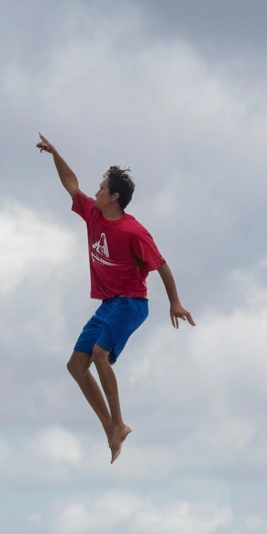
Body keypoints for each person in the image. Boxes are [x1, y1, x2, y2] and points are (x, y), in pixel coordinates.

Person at [36, 132, 195, 463]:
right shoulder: (93, 213)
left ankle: (118, 423)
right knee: (76, 365)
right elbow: (71, 184)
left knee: (99, 355)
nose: (96, 191)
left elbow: (162, 266)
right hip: (108, 306)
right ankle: (112, 428)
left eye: (102, 188)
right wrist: (54, 153)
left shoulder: (133, 232)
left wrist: (175, 302)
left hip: (132, 303)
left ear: (115, 197)